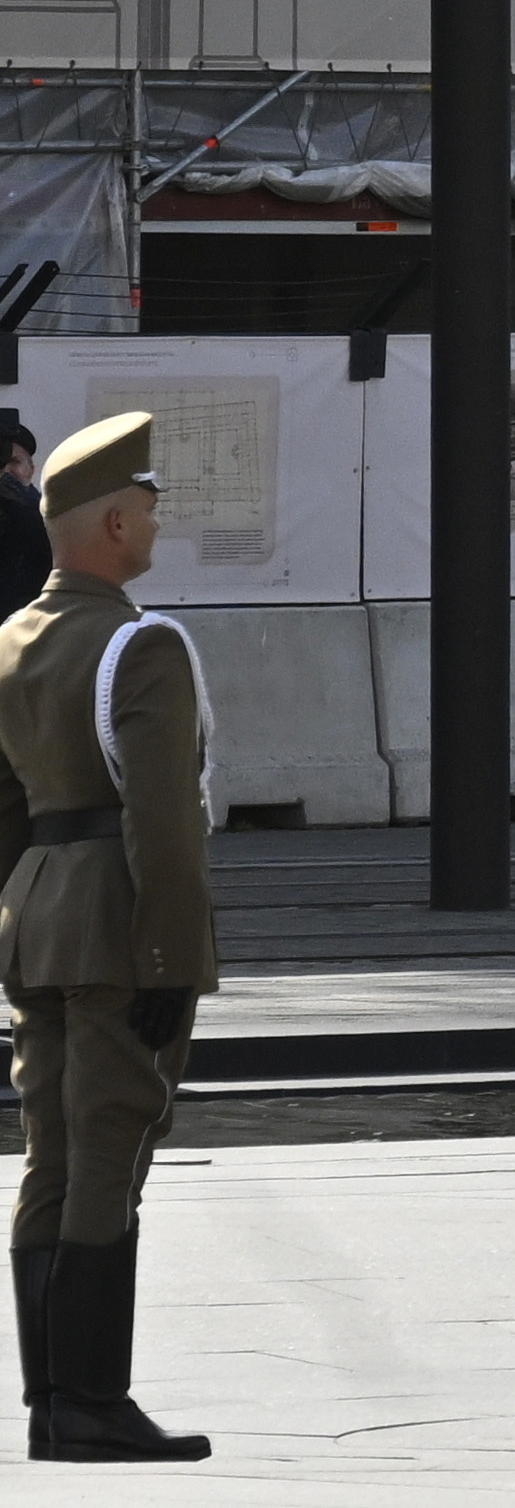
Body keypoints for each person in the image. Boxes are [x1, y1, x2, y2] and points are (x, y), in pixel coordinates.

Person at [0, 411, 208, 1461]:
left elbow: (4, 810)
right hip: (117, 919)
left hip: (34, 915)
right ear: (116, 522)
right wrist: (173, 962)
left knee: (51, 1152)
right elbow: (163, 819)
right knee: (110, 1153)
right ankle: (91, 1400)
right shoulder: (143, 643)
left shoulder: (13, 639)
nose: (160, 523)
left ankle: (49, 1400)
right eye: (153, 507)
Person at [0, 412, 52, 617]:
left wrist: (22, 506)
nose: (6, 471)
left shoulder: (46, 515)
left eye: (14, 461)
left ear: (30, 469)